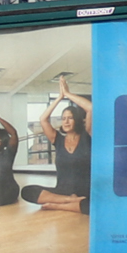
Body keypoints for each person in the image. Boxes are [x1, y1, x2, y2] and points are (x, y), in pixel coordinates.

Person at [21, 77, 92, 214]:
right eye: (63, 118)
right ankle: (68, 202)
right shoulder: (57, 139)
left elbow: (90, 108)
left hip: (85, 193)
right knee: (27, 191)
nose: (65, 122)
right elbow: (43, 119)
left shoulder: (87, 137)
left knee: (96, 205)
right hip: (62, 192)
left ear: (77, 120)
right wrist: (59, 98)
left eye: (70, 118)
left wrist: (68, 94)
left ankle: (58, 205)